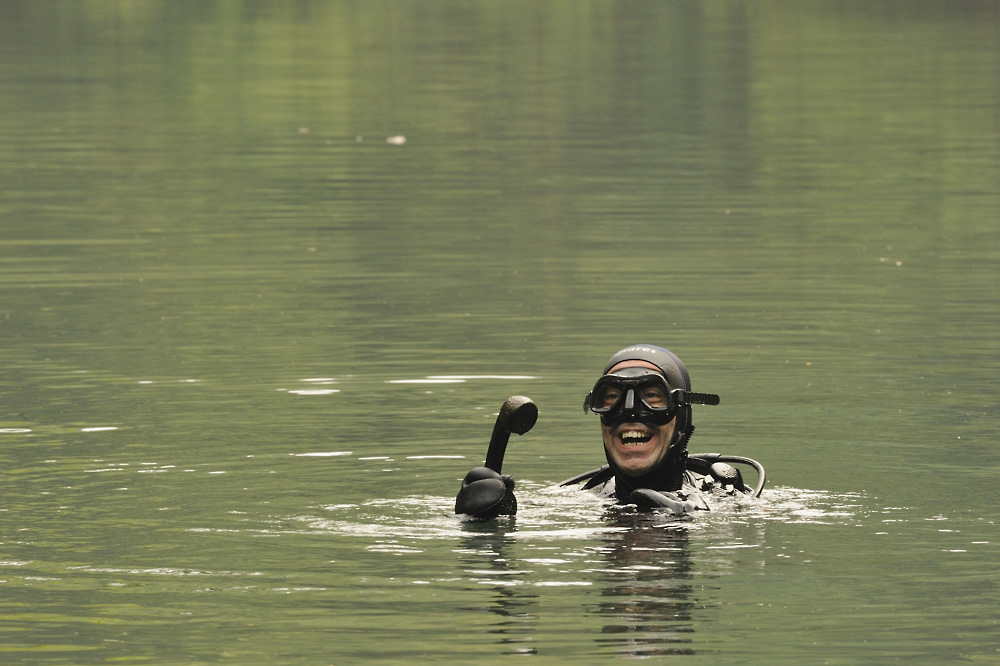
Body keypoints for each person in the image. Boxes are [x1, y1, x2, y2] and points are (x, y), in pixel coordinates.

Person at [455, 344, 764, 519]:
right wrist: (488, 522)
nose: (629, 413)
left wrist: (682, 521)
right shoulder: (575, 501)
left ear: (681, 415)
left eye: (652, 396)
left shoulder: (726, 502)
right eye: (612, 398)